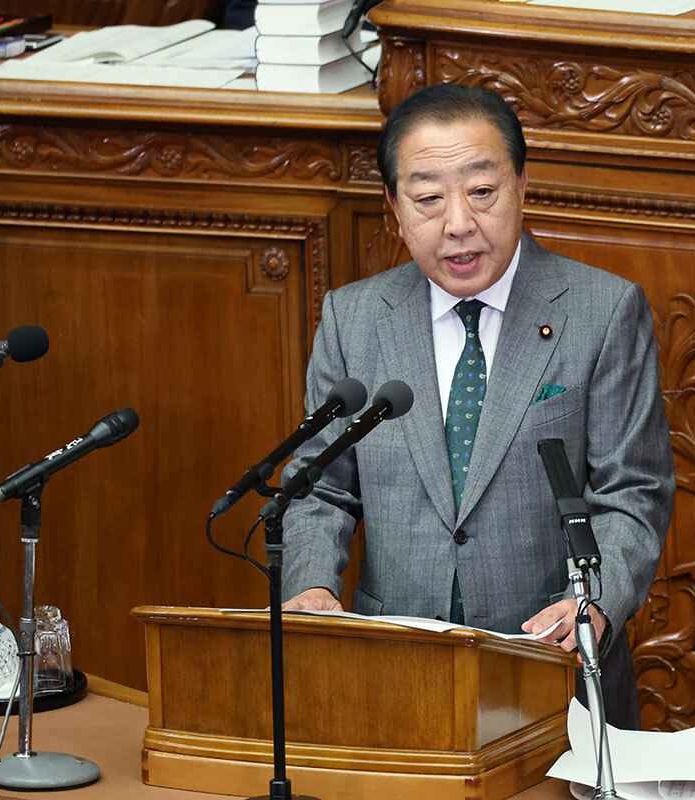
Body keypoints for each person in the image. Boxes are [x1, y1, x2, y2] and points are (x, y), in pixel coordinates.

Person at [281, 84, 674, 729]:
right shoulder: (354, 320)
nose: (458, 223)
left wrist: (592, 603)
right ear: (395, 208)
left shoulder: (602, 313)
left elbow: (633, 490)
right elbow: (320, 489)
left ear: (521, 185)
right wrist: (312, 585)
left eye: (482, 192)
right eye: (428, 200)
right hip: (395, 672)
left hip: (553, 666)